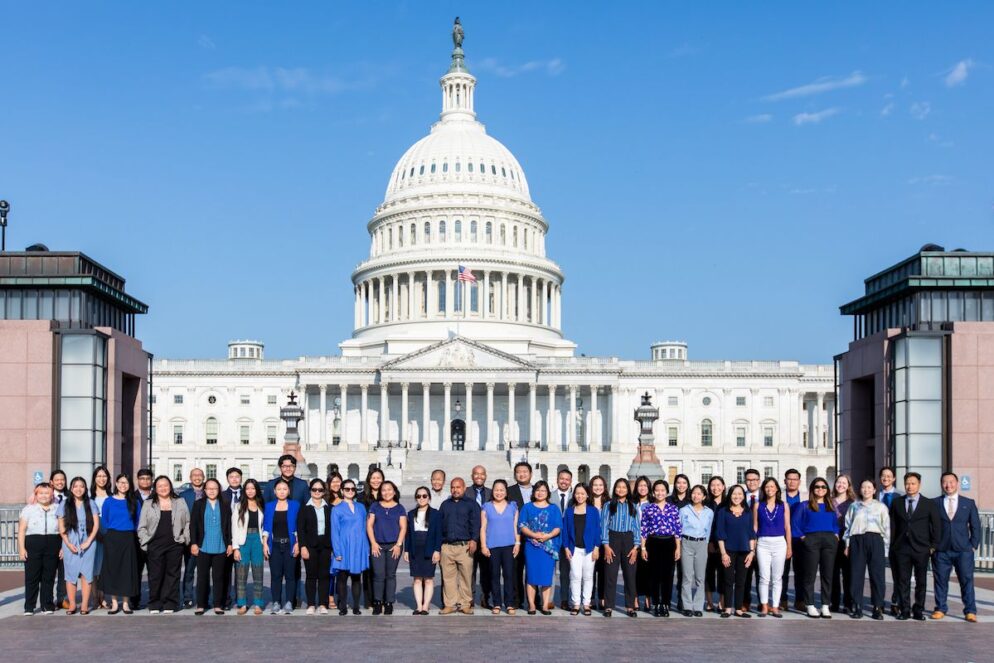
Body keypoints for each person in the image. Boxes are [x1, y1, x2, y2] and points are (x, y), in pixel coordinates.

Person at [890, 471, 941, 621]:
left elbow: (936, 526)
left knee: (921, 581)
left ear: (919, 485)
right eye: (907, 483)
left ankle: (918, 609)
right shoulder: (897, 503)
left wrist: (933, 546)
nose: (909, 486)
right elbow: (893, 525)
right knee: (902, 580)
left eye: (913, 483)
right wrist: (893, 545)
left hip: (922, 548)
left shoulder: (929, 503)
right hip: (901, 548)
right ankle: (905, 609)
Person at [931, 472, 981, 622]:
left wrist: (973, 545)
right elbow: (929, 526)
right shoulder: (935, 503)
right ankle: (940, 608)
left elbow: (975, 526)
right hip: (941, 550)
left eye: (951, 482)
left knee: (966, 580)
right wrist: (932, 546)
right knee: (940, 580)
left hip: (963, 550)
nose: (948, 485)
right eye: (945, 482)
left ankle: (970, 611)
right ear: (941, 484)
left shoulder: (968, 503)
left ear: (957, 483)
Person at [137, 476, 190, 614]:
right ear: (155, 488)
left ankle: (171, 603)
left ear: (170, 486)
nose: (163, 488)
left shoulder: (180, 501)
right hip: (155, 544)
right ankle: (155, 603)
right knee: (155, 575)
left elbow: (188, 522)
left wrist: (184, 538)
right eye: (159, 486)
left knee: (173, 574)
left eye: (165, 485)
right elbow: (141, 526)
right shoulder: (148, 503)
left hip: (175, 544)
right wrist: (145, 542)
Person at [843, 478, 890, 619]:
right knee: (856, 574)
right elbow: (848, 526)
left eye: (869, 487)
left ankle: (877, 607)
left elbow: (887, 528)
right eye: (864, 487)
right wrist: (847, 544)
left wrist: (886, 549)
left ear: (874, 490)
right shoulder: (854, 506)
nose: (866, 490)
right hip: (857, 540)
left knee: (877, 576)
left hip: (876, 540)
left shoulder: (881, 507)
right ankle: (857, 606)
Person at [795, 477, 838, 618]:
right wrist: (803, 538)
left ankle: (825, 605)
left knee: (827, 574)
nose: (820, 489)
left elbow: (836, 523)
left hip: (829, 540)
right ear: (812, 489)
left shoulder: (831, 505)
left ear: (827, 490)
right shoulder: (804, 505)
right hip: (811, 540)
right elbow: (795, 524)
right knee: (810, 574)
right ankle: (810, 605)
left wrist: (836, 535)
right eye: (817, 487)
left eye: (824, 487)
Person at [518, 480, 562, 615]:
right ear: (533, 492)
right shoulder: (527, 507)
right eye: (537, 490)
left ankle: (545, 605)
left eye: (543, 490)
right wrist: (533, 535)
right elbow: (522, 525)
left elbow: (558, 527)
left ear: (547, 492)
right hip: (532, 547)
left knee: (546, 577)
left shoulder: (553, 508)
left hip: (548, 548)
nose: (540, 493)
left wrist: (547, 536)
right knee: (531, 576)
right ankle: (531, 605)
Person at [57, 477, 100, 614]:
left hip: (88, 542)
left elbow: (96, 525)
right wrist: (68, 544)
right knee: (70, 574)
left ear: (85, 488)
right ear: (71, 488)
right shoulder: (64, 504)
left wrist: (89, 541)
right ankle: (72, 604)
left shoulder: (91, 503)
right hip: (70, 542)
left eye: (81, 486)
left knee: (86, 574)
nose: (78, 489)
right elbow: (61, 527)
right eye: (75, 486)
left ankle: (85, 605)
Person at [438, 477, 480, 614]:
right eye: (453, 487)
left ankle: (465, 603)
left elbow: (476, 523)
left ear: (464, 488)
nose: (455, 490)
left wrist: (474, 540)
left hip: (465, 546)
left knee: (466, 576)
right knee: (447, 577)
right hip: (447, 546)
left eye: (458, 487)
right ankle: (449, 604)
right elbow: (439, 526)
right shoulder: (445, 505)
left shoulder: (471, 504)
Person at [190, 478, 232, 615]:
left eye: (215, 488)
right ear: (205, 490)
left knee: (219, 577)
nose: (212, 491)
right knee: (202, 576)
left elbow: (229, 527)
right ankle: (201, 604)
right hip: (203, 545)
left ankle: (218, 604)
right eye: (209, 488)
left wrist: (230, 543)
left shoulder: (225, 505)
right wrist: (194, 543)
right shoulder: (198, 504)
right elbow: (193, 525)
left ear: (218, 490)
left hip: (220, 545)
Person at [640, 479, 682, 617]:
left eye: (662, 490)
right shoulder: (648, 509)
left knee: (668, 575)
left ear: (667, 492)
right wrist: (643, 548)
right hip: (653, 542)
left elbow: (677, 530)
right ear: (653, 492)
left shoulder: (673, 509)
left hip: (669, 542)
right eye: (657, 490)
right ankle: (656, 603)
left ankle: (665, 603)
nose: (660, 493)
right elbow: (644, 529)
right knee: (654, 575)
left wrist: (678, 548)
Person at [601, 477, 642, 618]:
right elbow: (604, 525)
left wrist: (636, 547)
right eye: (618, 487)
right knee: (610, 574)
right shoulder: (608, 505)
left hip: (629, 540)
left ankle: (630, 606)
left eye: (624, 487)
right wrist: (606, 545)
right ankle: (608, 606)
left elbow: (637, 527)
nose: (621, 489)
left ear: (628, 490)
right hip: (613, 538)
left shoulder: (633, 505)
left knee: (630, 574)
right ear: (615, 489)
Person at [19, 483, 61, 615]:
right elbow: (21, 530)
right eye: (41, 493)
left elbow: (62, 530)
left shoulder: (58, 508)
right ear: (36, 494)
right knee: (32, 577)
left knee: (48, 576)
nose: (44, 496)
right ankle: (29, 607)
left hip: (53, 542)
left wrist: (63, 548)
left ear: (52, 494)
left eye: (47, 493)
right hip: (33, 543)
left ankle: (47, 605)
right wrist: (21, 549)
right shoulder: (29, 509)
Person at [101, 473, 141, 614]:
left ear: (129, 485)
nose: (123, 485)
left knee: (127, 570)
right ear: (116, 484)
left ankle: (125, 603)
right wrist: (110, 534)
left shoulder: (134, 501)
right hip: (112, 538)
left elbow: (138, 521)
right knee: (113, 569)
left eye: (126, 483)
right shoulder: (108, 501)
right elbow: (104, 521)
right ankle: (114, 603)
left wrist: (130, 532)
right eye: (121, 482)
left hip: (128, 538)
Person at [753, 477, 791, 618]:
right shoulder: (758, 505)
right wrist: (753, 547)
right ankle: (764, 606)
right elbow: (755, 527)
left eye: (772, 486)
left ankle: (775, 606)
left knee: (777, 577)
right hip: (763, 543)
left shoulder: (784, 505)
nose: (769, 489)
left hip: (780, 542)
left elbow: (787, 526)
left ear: (777, 489)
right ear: (764, 489)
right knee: (763, 577)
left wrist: (789, 547)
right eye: (767, 487)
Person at [367, 480, 407, 615]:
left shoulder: (400, 508)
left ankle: (389, 602)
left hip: (393, 546)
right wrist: (373, 543)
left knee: (390, 575)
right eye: (384, 490)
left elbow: (403, 527)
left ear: (394, 491)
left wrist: (398, 544)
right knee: (378, 574)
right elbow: (369, 525)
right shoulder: (375, 506)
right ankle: (377, 602)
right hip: (377, 545)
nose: (386, 492)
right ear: (380, 492)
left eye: (389, 489)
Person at [480, 479, 520, 615]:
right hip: (492, 546)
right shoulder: (486, 506)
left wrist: (518, 543)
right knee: (494, 575)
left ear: (506, 491)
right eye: (496, 490)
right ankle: (496, 602)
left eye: (502, 490)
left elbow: (516, 527)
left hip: (509, 545)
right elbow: (483, 528)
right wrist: (484, 545)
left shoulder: (513, 506)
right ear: (493, 491)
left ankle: (509, 603)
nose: (499, 492)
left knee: (509, 575)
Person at [716, 485, 755, 618]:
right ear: (729, 495)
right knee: (728, 580)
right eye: (734, 494)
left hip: (744, 551)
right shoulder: (723, 511)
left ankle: (738, 608)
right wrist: (723, 553)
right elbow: (720, 534)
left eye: (739, 494)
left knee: (741, 581)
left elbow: (751, 533)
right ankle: (727, 608)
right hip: (728, 551)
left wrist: (751, 552)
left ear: (744, 496)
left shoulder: (748, 512)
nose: (736, 497)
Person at [331, 479, 369, 615]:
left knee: (356, 577)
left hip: (358, 546)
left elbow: (365, 527)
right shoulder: (336, 509)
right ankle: (342, 606)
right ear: (342, 491)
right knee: (342, 577)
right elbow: (335, 531)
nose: (350, 491)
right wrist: (337, 551)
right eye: (347, 489)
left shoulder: (361, 507)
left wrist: (366, 548)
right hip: (343, 545)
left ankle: (356, 606)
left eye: (353, 489)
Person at [264, 478, 301, 614]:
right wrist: (265, 544)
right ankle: (276, 602)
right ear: (274, 491)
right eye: (279, 489)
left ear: (289, 491)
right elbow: (266, 526)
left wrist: (298, 543)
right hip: (274, 544)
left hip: (289, 544)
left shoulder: (295, 505)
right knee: (276, 575)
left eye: (285, 489)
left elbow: (298, 526)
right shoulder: (269, 506)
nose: (282, 492)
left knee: (290, 575)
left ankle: (290, 601)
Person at [562, 482, 600, 616]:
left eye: (582, 493)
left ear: (587, 495)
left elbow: (597, 530)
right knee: (575, 576)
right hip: (574, 549)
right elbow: (565, 531)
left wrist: (596, 547)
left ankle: (587, 603)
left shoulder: (593, 510)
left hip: (589, 549)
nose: (580, 496)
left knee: (588, 577)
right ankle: (576, 603)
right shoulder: (569, 511)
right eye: (577, 493)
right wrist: (566, 547)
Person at [405, 485, 442, 615]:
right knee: (417, 579)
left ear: (429, 498)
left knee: (428, 578)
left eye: (424, 496)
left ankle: (426, 606)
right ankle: (418, 606)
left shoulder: (436, 514)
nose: (421, 498)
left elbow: (439, 533)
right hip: (415, 548)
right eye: (418, 496)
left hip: (429, 547)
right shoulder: (410, 514)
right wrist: (406, 550)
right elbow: (408, 534)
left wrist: (437, 550)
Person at [232, 478, 267, 615]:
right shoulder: (238, 506)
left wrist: (264, 543)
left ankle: (258, 603)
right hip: (243, 541)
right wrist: (235, 548)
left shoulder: (261, 504)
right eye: (247, 488)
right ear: (244, 490)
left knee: (258, 573)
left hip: (257, 541)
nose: (250, 491)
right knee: (241, 575)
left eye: (253, 488)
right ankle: (242, 604)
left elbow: (265, 525)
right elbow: (234, 528)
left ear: (256, 490)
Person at [298, 478, 332, 615]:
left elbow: (332, 528)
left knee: (324, 576)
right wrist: (303, 546)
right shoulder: (304, 508)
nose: (317, 492)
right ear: (310, 490)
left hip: (325, 546)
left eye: (320, 490)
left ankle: (323, 603)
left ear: (324, 491)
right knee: (311, 576)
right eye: (314, 489)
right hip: (310, 545)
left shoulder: (329, 508)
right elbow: (300, 529)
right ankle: (311, 603)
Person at [679, 485, 713, 617]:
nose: (696, 496)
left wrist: (706, 543)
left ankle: (698, 606)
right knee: (687, 576)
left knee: (700, 577)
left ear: (704, 496)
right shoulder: (683, 510)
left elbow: (708, 529)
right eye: (694, 493)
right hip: (687, 542)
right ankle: (687, 606)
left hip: (701, 543)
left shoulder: (709, 512)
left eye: (699, 494)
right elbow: (679, 528)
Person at [506, 461, 533, 608]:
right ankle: (516, 599)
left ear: (530, 473)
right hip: (515, 536)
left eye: (524, 471)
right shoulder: (509, 491)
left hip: (534, 537)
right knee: (515, 569)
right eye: (518, 472)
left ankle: (533, 600)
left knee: (533, 569)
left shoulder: (538, 490)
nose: (522, 474)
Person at [877, 466, 902, 615]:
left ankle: (896, 601)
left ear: (893, 478)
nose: (886, 478)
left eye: (889, 476)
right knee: (878, 573)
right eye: (883, 476)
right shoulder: (875, 495)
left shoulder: (901, 495)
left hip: (896, 539)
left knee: (898, 574)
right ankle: (878, 602)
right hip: (879, 538)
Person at [828, 474, 856, 613]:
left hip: (847, 540)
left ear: (848, 485)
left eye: (844, 483)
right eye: (839, 482)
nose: (841, 485)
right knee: (833, 573)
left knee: (848, 573)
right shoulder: (829, 501)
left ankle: (848, 603)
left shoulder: (853, 503)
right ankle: (835, 602)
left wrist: (849, 543)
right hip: (832, 540)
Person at [359, 466, 385, 608]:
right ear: (369, 479)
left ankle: (381, 598)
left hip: (383, 535)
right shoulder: (362, 497)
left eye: (378, 478)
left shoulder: (388, 494)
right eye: (373, 478)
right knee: (368, 570)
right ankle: (369, 600)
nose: (376, 480)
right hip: (367, 536)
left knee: (381, 570)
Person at [180, 467, 206, 608]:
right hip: (189, 538)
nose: (197, 477)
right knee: (189, 570)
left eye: (200, 475)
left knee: (205, 571)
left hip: (207, 537)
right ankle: (187, 597)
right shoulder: (184, 495)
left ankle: (204, 597)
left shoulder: (209, 493)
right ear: (190, 478)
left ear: (203, 477)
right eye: (194, 475)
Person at [780, 468, 805, 612]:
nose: (792, 481)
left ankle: (799, 600)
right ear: (785, 481)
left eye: (795, 479)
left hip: (800, 539)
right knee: (782, 572)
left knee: (800, 571)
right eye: (789, 479)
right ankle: (783, 600)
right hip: (782, 538)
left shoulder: (806, 497)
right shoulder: (779, 497)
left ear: (799, 482)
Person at [468, 465, 492, 609]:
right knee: (469, 570)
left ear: (486, 476)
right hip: (471, 538)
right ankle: (469, 598)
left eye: (482, 474)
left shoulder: (491, 493)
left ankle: (485, 598)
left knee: (487, 570)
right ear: (472, 476)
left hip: (488, 539)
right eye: (476, 474)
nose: (479, 476)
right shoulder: (465, 493)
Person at [131, 468, 154, 610]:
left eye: (147, 478)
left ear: (151, 480)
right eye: (142, 478)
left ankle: (154, 600)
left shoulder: (158, 495)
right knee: (136, 571)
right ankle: (135, 600)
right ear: (137, 480)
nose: (145, 481)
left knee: (154, 572)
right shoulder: (131, 497)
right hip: (136, 541)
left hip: (153, 540)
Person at [550, 469, 573, 610]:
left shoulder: (575, 497)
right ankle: (549, 599)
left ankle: (565, 599)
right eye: (561, 478)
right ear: (557, 479)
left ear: (571, 481)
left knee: (566, 572)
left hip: (568, 540)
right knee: (551, 570)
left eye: (567, 479)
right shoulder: (550, 496)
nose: (564, 481)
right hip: (552, 539)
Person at [90, 465, 111, 610]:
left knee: (105, 568)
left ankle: (103, 598)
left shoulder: (112, 496)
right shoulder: (89, 497)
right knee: (93, 569)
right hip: (92, 535)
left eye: (104, 476)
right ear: (94, 479)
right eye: (99, 476)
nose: (101, 479)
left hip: (108, 534)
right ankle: (94, 598)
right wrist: (95, 533)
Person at [704, 476, 727, 613]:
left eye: (719, 485)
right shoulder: (706, 503)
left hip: (725, 544)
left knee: (724, 573)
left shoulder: (728, 503)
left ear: (723, 487)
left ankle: (722, 602)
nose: (716, 488)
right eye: (713, 485)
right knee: (708, 572)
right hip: (709, 543)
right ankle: (709, 602)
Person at [221, 467, 243, 610]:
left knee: (240, 572)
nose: (234, 479)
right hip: (225, 537)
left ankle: (240, 599)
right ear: (228, 479)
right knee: (225, 571)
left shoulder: (247, 494)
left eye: (237, 476)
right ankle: (226, 600)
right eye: (231, 477)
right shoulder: (222, 495)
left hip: (241, 537)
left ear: (241, 478)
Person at [740, 468, 762, 611]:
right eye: (748, 480)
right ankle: (745, 601)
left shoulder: (765, 497)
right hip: (744, 540)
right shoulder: (740, 497)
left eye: (754, 480)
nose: (751, 482)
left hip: (762, 540)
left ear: (759, 481)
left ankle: (762, 601)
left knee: (762, 574)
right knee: (745, 574)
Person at [631, 475, 653, 613]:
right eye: (640, 485)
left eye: (645, 485)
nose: (642, 488)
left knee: (648, 571)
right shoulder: (631, 503)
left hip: (649, 541)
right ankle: (634, 598)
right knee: (633, 571)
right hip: (632, 541)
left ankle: (647, 599)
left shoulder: (653, 504)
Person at [49, 469, 69, 609]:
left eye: (62, 479)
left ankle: (61, 598)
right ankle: (48, 600)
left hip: (66, 537)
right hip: (51, 538)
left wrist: (65, 544)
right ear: (51, 482)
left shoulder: (70, 497)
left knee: (64, 571)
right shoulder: (46, 496)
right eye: (57, 480)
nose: (60, 482)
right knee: (49, 571)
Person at [589, 475, 609, 611]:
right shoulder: (586, 502)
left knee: (603, 572)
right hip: (590, 542)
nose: (598, 487)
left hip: (605, 543)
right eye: (595, 485)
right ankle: (590, 598)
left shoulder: (609, 503)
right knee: (590, 572)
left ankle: (602, 598)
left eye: (600, 485)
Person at [325, 472, 343, 609]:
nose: (336, 484)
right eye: (333, 481)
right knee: (331, 571)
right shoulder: (325, 500)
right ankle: (330, 596)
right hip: (329, 538)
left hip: (343, 538)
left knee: (341, 570)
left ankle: (340, 595)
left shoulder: (347, 499)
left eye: (338, 481)